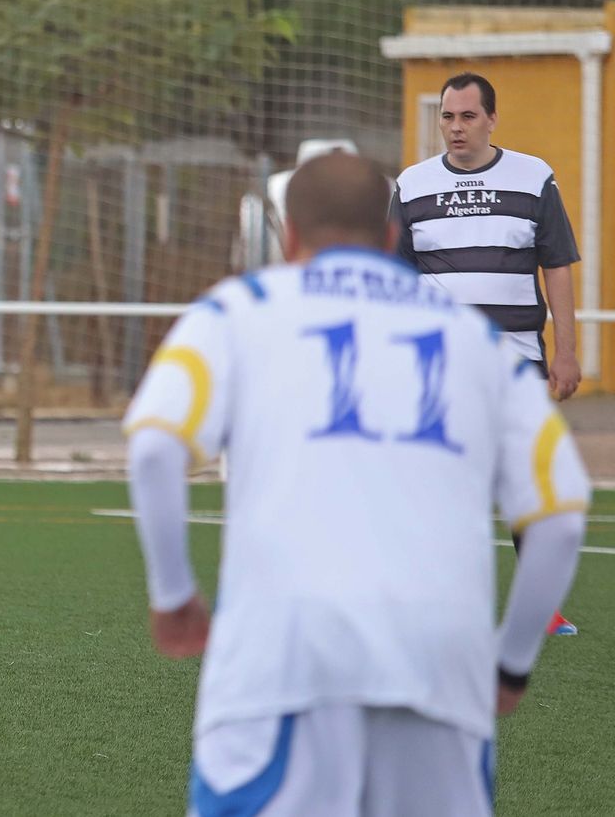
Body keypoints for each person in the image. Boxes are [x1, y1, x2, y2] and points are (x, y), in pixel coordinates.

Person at [125, 153, 587, 816]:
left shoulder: (240, 310)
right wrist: (511, 663)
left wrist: (173, 595)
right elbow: (560, 518)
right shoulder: (476, 340)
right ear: (391, 235)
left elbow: (153, 449)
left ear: (289, 235)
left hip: (282, 658)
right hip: (440, 663)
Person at [391, 71, 583, 636]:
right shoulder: (412, 185)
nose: (456, 127)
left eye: (468, 116)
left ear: (492, 119)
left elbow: (557, 267)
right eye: (447, 117)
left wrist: (566, 352)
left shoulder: (533, 176)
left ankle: (540, 607)